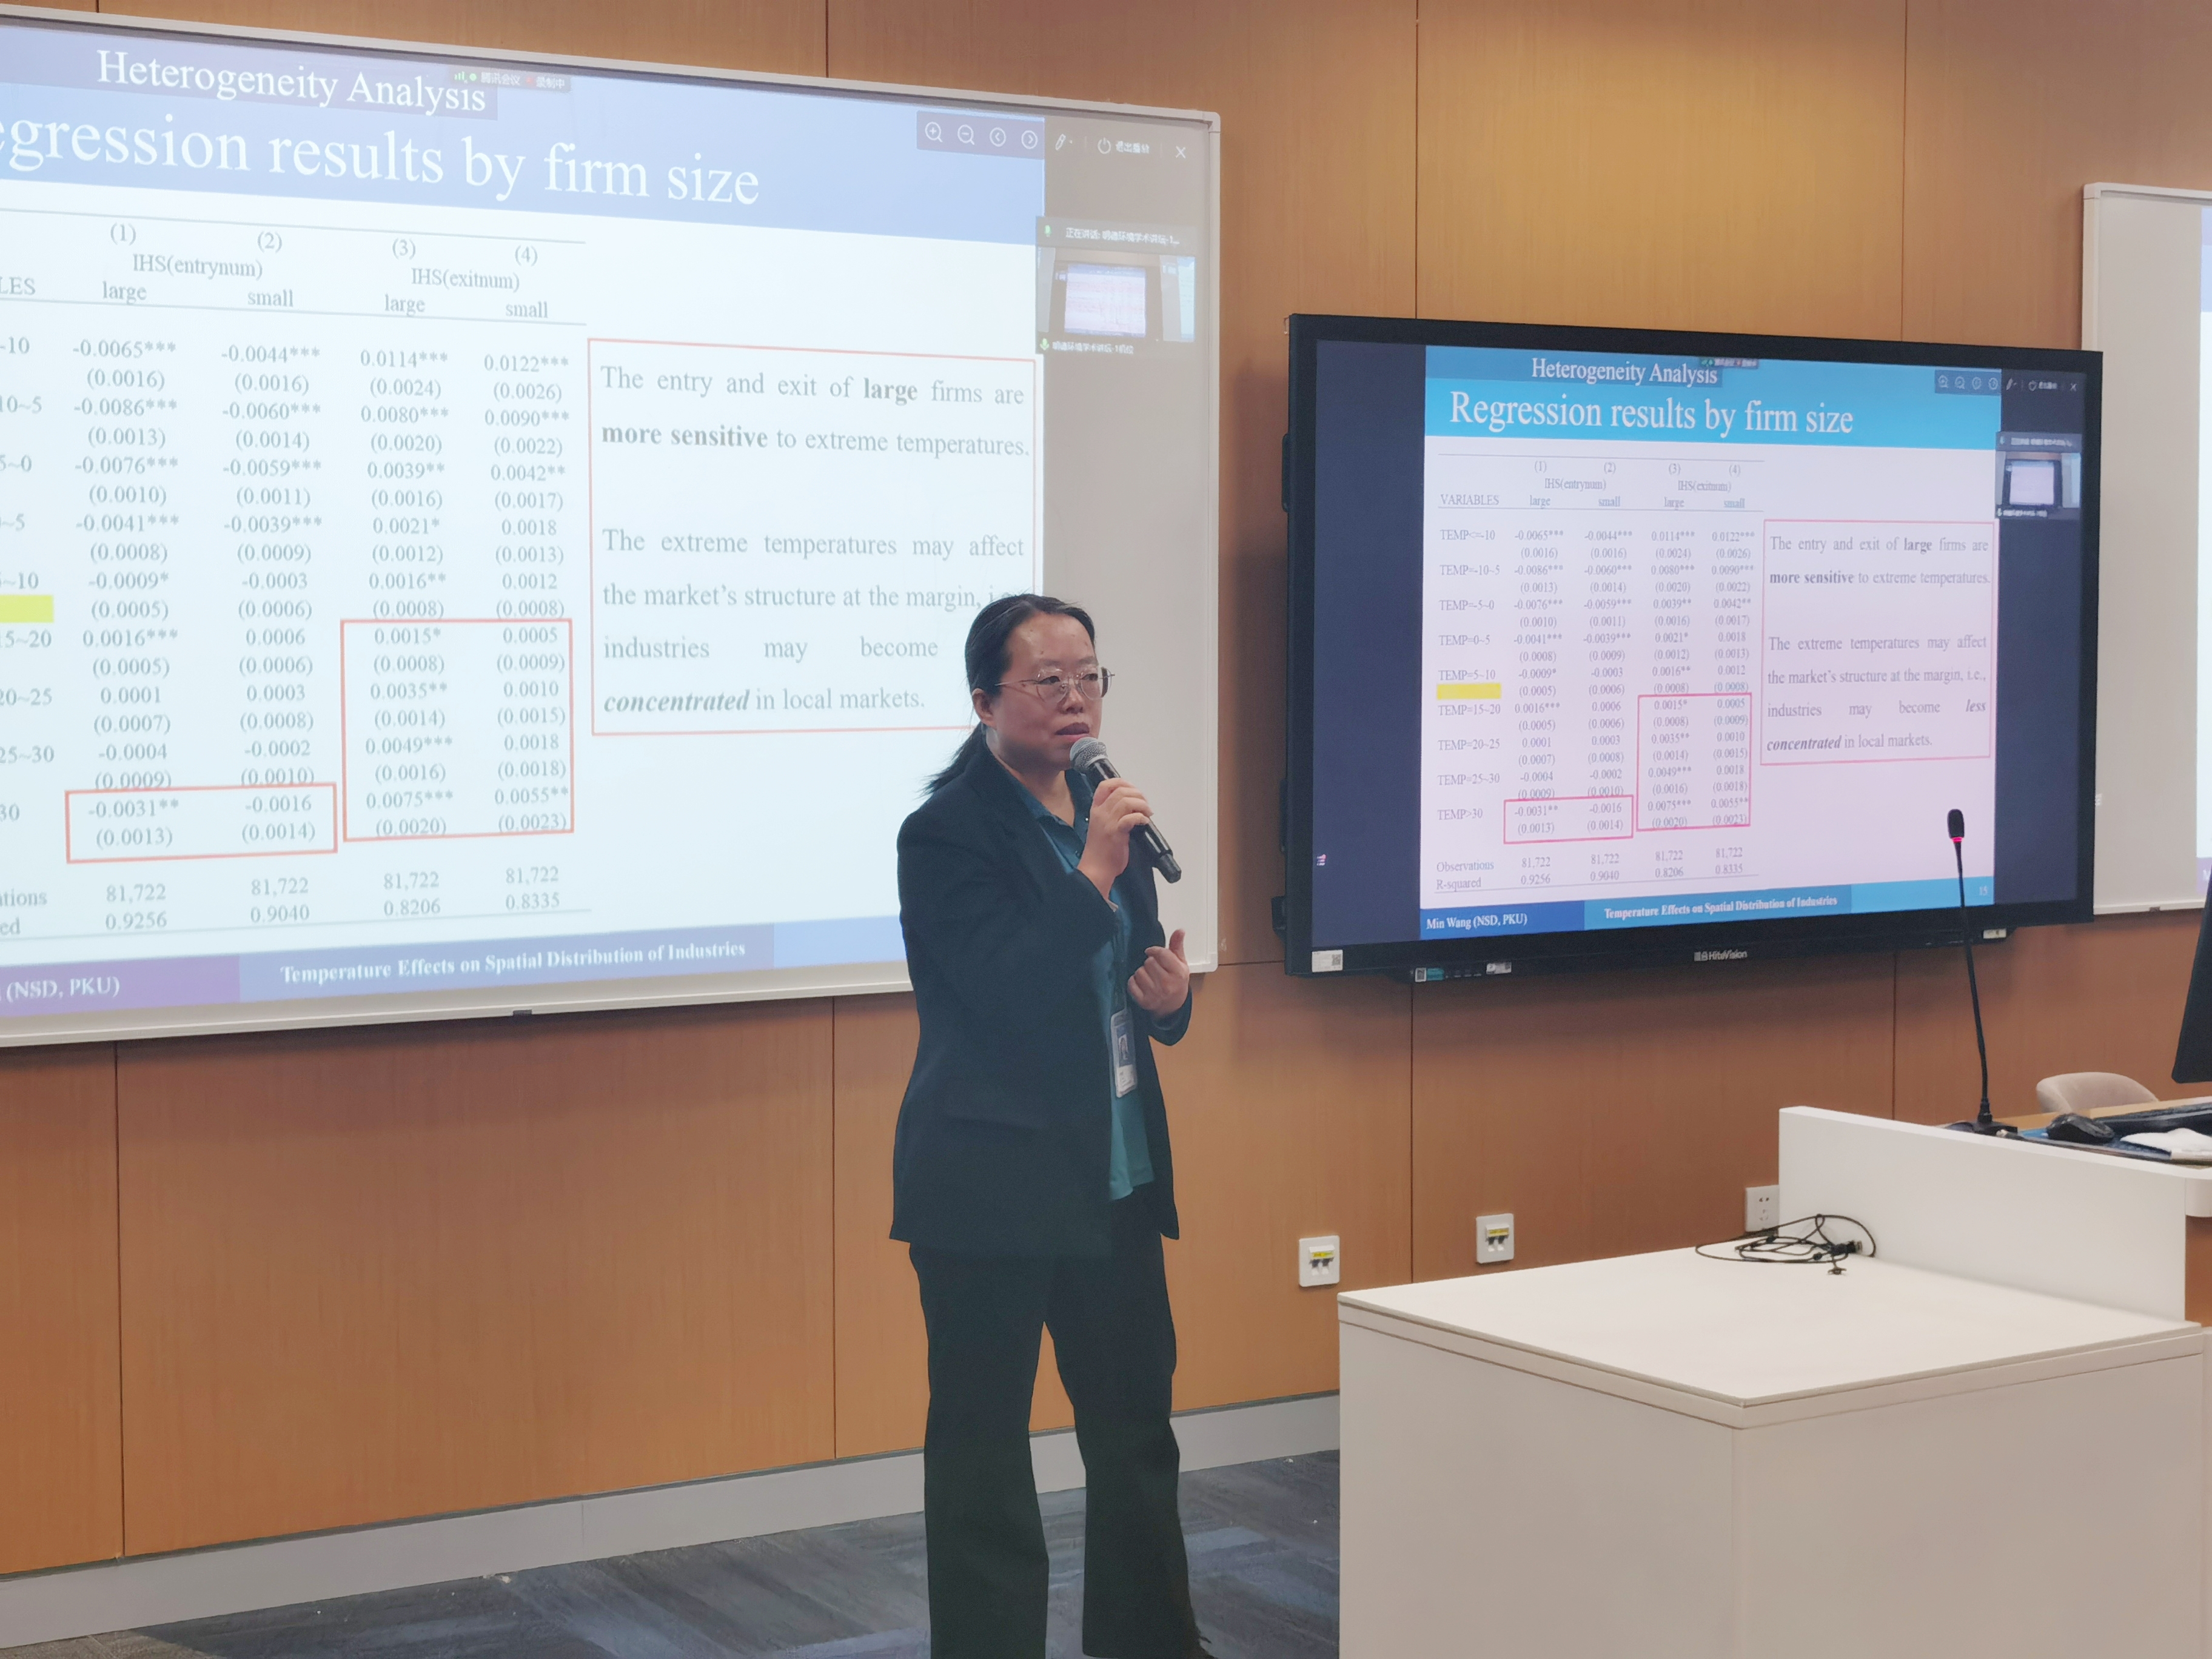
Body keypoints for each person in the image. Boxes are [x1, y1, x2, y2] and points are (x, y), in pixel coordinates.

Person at [893, 594, 1208, 1659]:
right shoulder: (945, 834)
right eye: (1049, 681)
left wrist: (1169, 1004)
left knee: (1136, 1440)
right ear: (986, 700)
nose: (1076, 699)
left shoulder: (1105, 810)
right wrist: (1094, 872)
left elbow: (1122, 983)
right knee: (984, 1452)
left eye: (1089, 677)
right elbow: (1001, 994)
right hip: (990, 1187)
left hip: (1113, 1177)